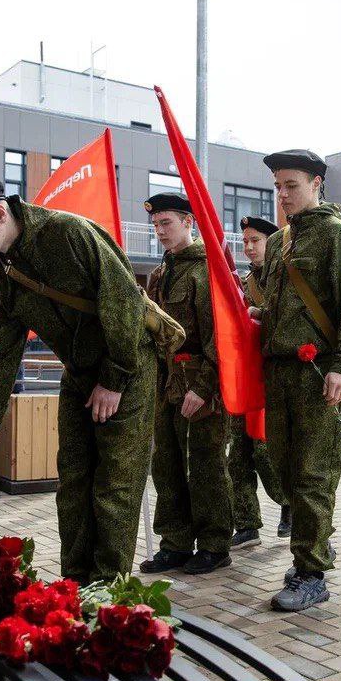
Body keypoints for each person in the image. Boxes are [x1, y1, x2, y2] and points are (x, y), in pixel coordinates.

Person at [0, 178, 157, 585]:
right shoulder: (2, 278)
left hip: (128, 368)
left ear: (0, 212)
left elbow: (123, 301)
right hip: (78, 375)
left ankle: (107, 592)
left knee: (115, 485)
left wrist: (114, 378)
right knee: (72, 482)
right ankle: (75, 585)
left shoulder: (69, 233)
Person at [255, 149, 341, 611]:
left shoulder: (336, 235)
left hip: (319, 373)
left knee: (312, 473)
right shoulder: (284, 240)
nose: (283, 194)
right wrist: (257, 314)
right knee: (283, 467)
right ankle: (314, 543)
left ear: (317, 183)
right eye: (278, 186)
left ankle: (311, 571)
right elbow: (283, 307)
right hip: (280, 371)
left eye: (292, 185)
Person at [138, 192, 233, 576]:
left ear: (188, 223)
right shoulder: (160, 273)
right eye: (156, 225)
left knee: (207, 465)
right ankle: (175, 543)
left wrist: (204, 386)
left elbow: (219, 337)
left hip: (199, 384)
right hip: (165, 384)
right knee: (168, 465)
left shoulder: (207, 269)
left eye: (167, 223)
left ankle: (215, 544)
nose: (160, 231)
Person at [227, 216, 289, 544]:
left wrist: (257, 315)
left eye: (256, 241)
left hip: (276, 377)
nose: (249, 247)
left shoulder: (285, 277)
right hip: (248, 375)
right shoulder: (246, 281)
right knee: (237, 454)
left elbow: (286, 319)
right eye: (246, 241)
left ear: (272, 242)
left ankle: (290, 503)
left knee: (267, 452)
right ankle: (248, 523)